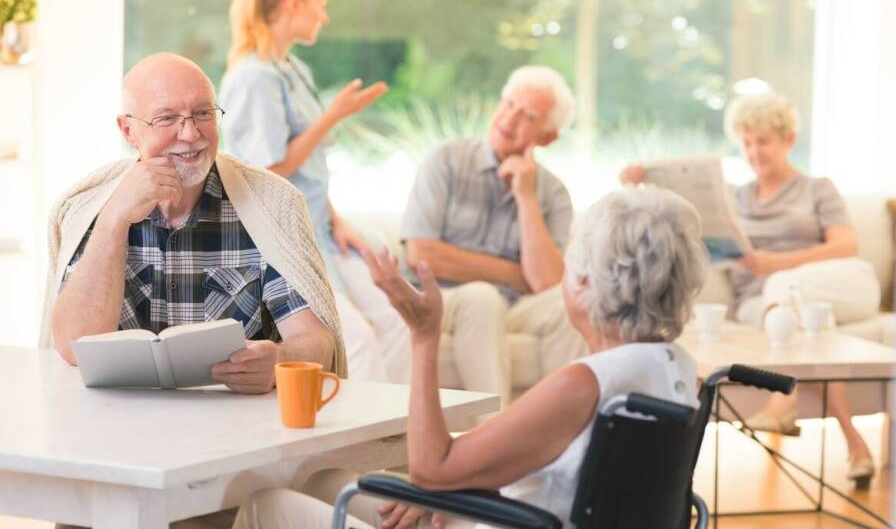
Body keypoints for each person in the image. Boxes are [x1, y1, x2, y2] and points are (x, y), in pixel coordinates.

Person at [230, 186, 709, 529]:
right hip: (514, 512)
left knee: (266, 505)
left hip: (506, 521)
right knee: (328, 480)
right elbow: (571, 473)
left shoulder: (585, 384)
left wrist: (424, 335)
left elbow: (430, 469)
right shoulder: (676, 369)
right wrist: (457, 486)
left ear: (584, 284)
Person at [42, 53, 346, 393]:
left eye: (203, 113)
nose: (189, 134)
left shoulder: (272, 204)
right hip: (117, 427)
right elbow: (76, 347)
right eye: (167, 118)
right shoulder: (89, 206)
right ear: (128, 130)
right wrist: (114, 220)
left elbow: (318, 341)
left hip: (238, 429)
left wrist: (279, 360)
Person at [620, 91, 880, 485]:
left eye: (764, 141)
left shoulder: (816, 188)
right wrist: (642, 188)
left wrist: (776, 264)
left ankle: (784, 401)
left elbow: (846, 245)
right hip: (764, 304)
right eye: (747, 143)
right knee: (811, 331)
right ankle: (854, 442)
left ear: (789, 139)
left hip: (834, 285)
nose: (754, 151)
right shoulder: (734, 198)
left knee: (783, 288)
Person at [220, 0, 392, 381]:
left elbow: (310, 164)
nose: (324, 15)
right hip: (286, 239)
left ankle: (403, 431)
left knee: (395, 316)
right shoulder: (254, 76)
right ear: (294, 4)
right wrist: (332, 115)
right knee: (357, 341)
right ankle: (363, 437)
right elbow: (270, 170)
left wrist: (336, 219)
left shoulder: (293, 68)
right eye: (320, 4)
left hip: (321, 229)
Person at [395, 65, 584, 407]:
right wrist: (514, 274)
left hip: (511, 305)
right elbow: (422, 255)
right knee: (481, 298)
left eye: (527, 116)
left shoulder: (553, 192)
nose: (509, 119)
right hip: (441, 299)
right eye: (508, 103)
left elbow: (547, 282)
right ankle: (495, 439)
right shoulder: (447, 160)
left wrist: (526, 197)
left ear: (548, 136)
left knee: (571, 301)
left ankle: (566, 437)